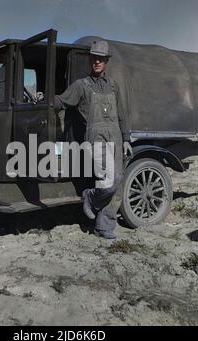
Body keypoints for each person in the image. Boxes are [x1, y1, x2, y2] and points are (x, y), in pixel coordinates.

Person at [54, 40, 132, 239]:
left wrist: (126, 139)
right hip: (95, 139)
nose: (97, 61)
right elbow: (62, 101)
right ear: (90, 60)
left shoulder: (113, 86)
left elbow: (122, 114)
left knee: (117, 183)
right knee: (109, 180)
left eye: (101, 58)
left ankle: (104, 226)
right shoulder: (81, 85)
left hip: (114, 137)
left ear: (106, 61)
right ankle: (90, 196)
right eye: (94, 58)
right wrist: (45, 100)